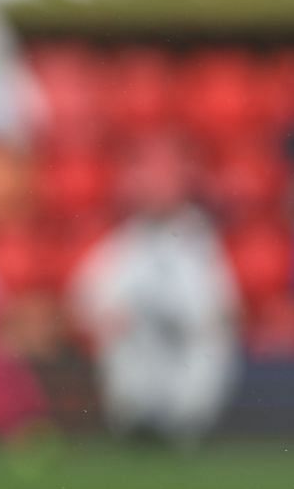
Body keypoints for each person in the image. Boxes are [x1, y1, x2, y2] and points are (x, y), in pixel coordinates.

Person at [70, 137, 239, 446]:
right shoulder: (123, 244)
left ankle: (182, 426)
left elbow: (220, 309)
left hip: (184, 358)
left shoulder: (200, 241)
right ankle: (137, 422)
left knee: (209, 342)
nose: (157, 186)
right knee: (120, 332)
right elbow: (86, 298)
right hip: (140, 357)